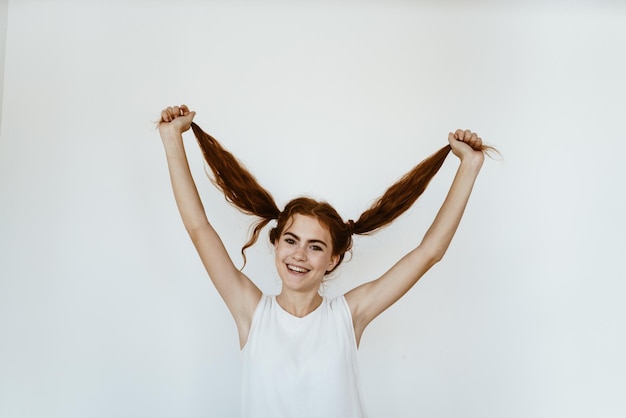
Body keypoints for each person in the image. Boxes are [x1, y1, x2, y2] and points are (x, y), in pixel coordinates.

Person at [158, 104, 490, 418]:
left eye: (315, 247)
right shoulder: (251, 312)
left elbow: (428, 252)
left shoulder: (348, 316)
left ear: (332, 260)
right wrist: (172, 139)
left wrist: (469, 166)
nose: (299, 255)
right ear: (276, 245)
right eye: (291, 240)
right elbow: (198, 227)